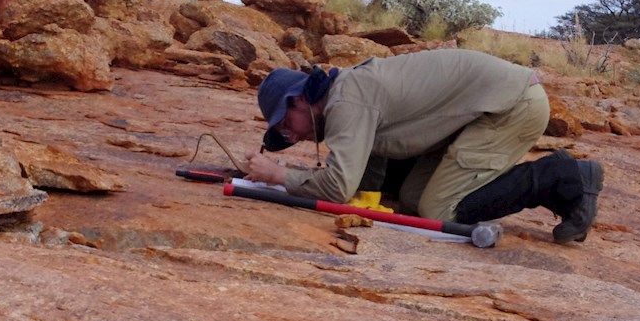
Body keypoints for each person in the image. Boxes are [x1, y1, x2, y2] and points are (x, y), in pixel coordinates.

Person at [244, 48, 603, 243]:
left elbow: (339, 188)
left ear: (298, 100)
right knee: (414, 199)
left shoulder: (346, 102)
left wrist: (278, 175)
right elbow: (368, 162)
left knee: (437, 211)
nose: (291, 137)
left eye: (285, 125)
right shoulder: (347, 91)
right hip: (482, 111)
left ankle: (562, 177)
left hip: (511, 106)